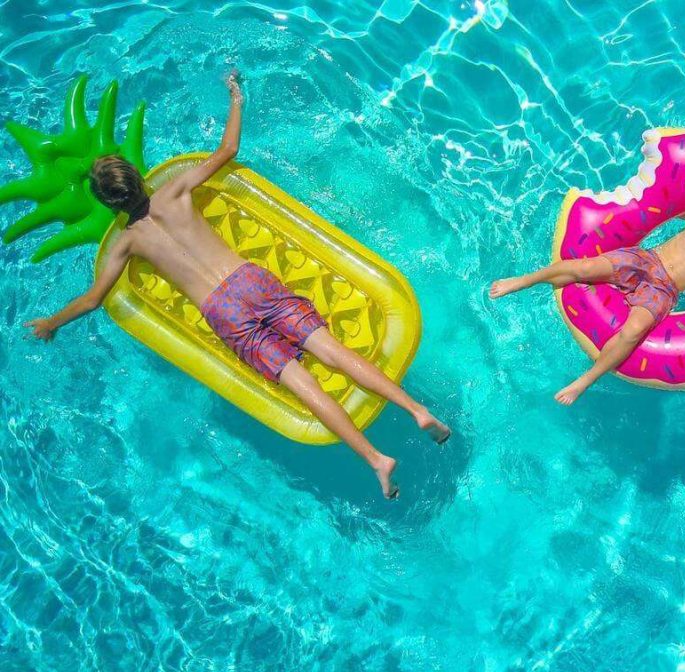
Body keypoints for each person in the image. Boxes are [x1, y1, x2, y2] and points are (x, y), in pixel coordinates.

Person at [24, 71, 449, 500]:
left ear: (108, 204)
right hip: (248, 281)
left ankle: (377, 460)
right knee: (334, 353)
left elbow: (95, 298)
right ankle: (416, 409)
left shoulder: (127, 241)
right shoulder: (174, 191)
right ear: (137, 176)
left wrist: (52, 322)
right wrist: (235, 98)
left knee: (304, 386)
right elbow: (228, 149)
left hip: (221, 311)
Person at [489, 194, 685, 404]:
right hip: (646, 258)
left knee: (634, 330)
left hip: (664, 291)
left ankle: (585, 380)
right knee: (584, 267)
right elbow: (663, 204)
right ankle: (523, 281)